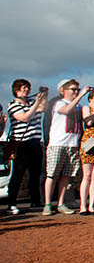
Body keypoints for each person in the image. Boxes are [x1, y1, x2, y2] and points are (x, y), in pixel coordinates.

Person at [43, 78, 89, 216]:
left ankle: (61, 203)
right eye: (73, 90)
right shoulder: (58, 103)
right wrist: (81, 95)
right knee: (52, 174)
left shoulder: (79, 107)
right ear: (65, 91)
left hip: (73, 144)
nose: (76, 92)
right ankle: (47, 204)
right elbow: (66, 110)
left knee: (66, 176)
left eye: (77, 89)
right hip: (58, 144)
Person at [6, 80, 47, 214]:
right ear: (16, 90)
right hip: (21, 143)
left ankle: (35, 201)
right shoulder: (13, 105)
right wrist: (36, 103)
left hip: (35, 142)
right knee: (17, 175)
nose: (26, 91)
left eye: (28, 88)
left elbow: (43, 108)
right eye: (23, 88)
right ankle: (11, 203)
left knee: (35, 174)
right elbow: (24, 117)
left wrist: (44, 96)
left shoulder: (31, 103)